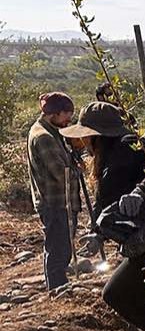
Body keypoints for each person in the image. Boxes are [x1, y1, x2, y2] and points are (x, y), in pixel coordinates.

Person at [62, 101, 145, 331]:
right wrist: (97, 234)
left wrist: (140, 192)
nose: (84, 142)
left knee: (116, 293)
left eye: (87, 136)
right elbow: (105, 202)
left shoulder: (128, 146)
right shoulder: (108, 158)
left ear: (97, 136)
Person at [27, 93, 77, 290]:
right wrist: (77, 171)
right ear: (54, 113)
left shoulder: (53, 131)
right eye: (67, 115)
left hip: (58, 201)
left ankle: (58, 285)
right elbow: (61, 173)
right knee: (58, 248)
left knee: (62, 246)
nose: (68, 120)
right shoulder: (44, 137)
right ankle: (57, 289)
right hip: (55, 202)